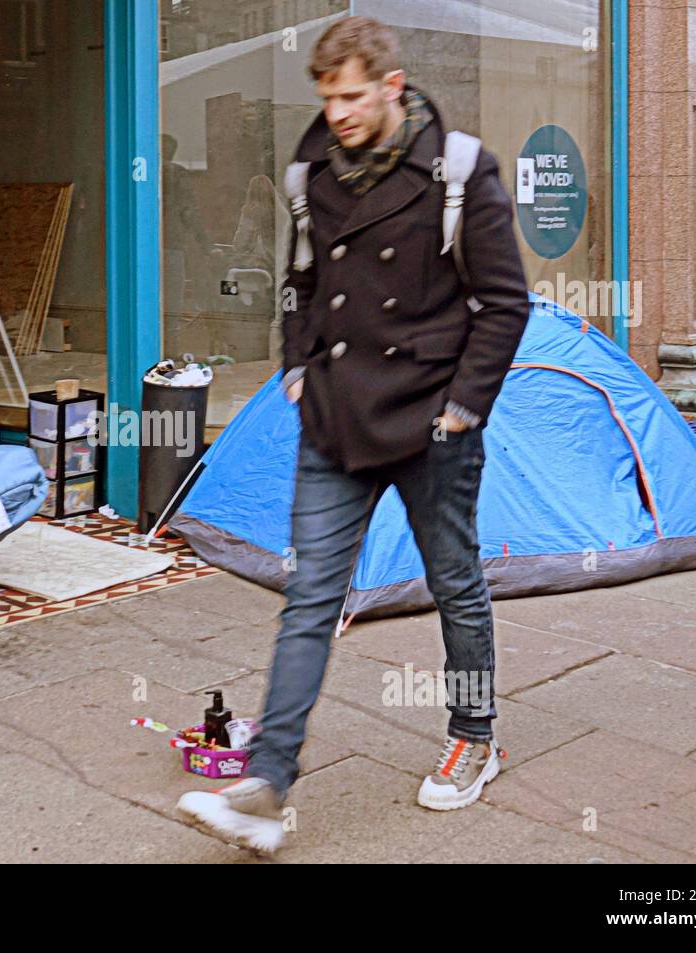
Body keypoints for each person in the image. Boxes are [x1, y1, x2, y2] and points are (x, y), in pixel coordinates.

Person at [178, 16, 530, 851]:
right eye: (327, 96)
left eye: (351, 96)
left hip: (431, 422)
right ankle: (266, 782)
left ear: (391, 88)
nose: (337, 112)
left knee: (455, 581)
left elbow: (505, 304)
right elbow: (300, 282)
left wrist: (462, 408)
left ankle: (474, 736)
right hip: (336, 420)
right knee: (308, 598)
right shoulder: (310, 173)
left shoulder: (458, 171)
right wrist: (297, 366)